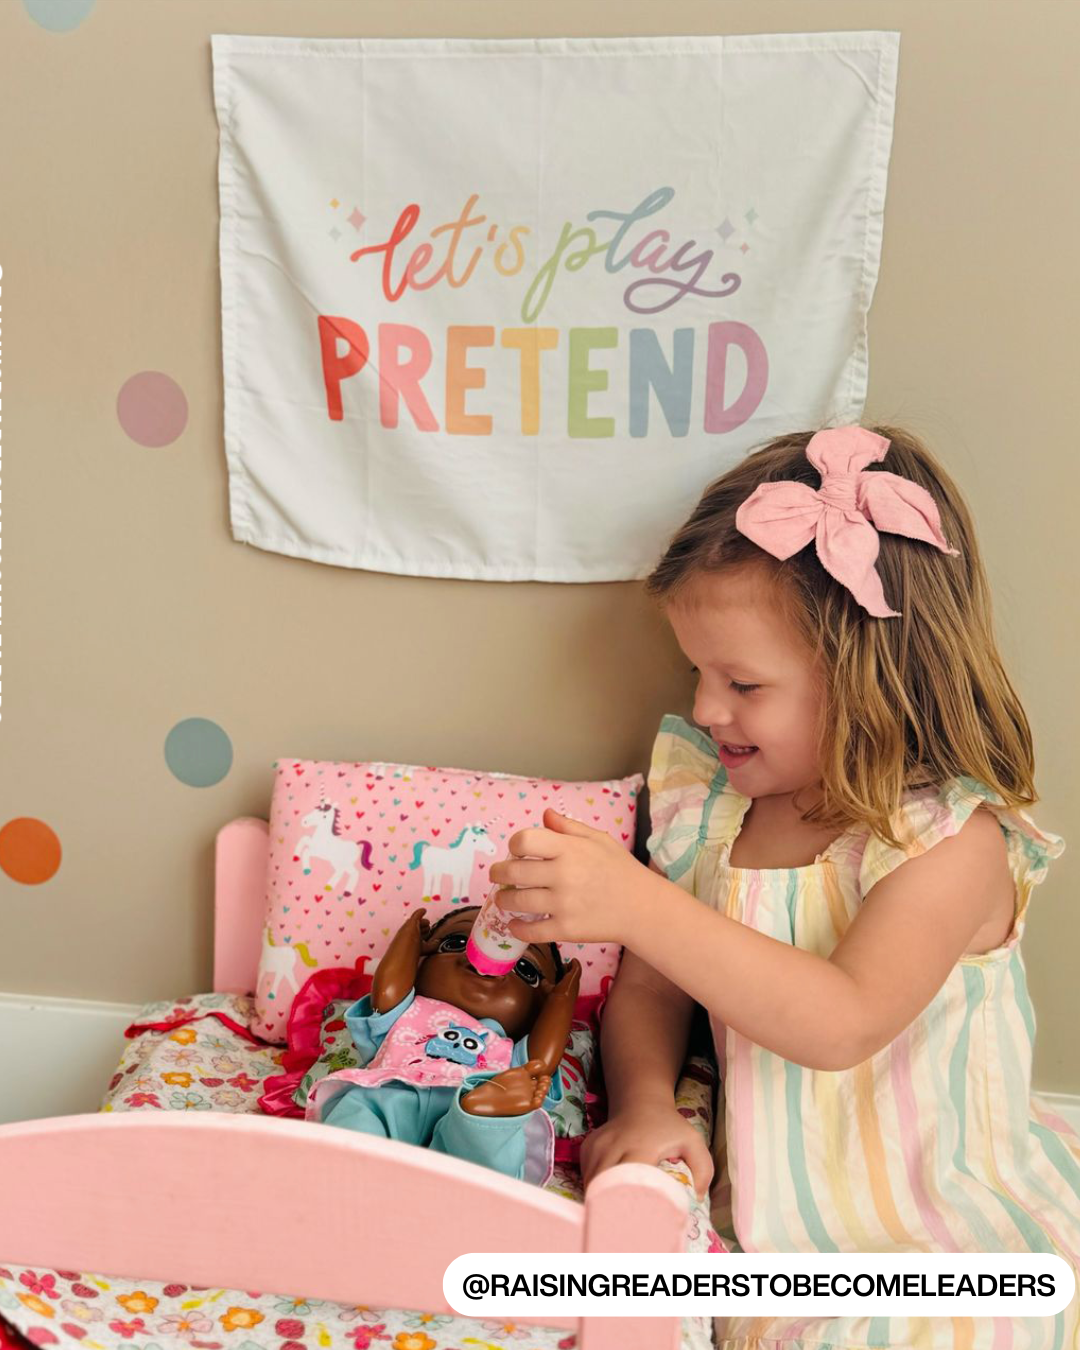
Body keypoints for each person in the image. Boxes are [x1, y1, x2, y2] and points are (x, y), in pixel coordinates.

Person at [488, 425, 1079, 1350]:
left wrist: (637, 901)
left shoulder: (948, 844)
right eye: (697, 672)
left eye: (743, 683)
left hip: (943, 1230)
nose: (705, 708)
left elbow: (840, 1022)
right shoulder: (712, 814)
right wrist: (644, 1105)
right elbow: (652, 990)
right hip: (776, 1231)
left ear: (870, 677)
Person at [308, 905, 580, 1184]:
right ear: (421, 962)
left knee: (494, 1150)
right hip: (389, 1101)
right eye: (456, 943)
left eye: (524, 968)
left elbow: (540, 1064)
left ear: (540, 1009)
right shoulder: (407, 1011)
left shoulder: (509, 1050)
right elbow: (388, 989)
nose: (483, 964)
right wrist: (408, 941)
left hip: (474, 1107)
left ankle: (483, 1117)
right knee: (356, 1120)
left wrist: (561, 1002)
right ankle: (349, 1179)